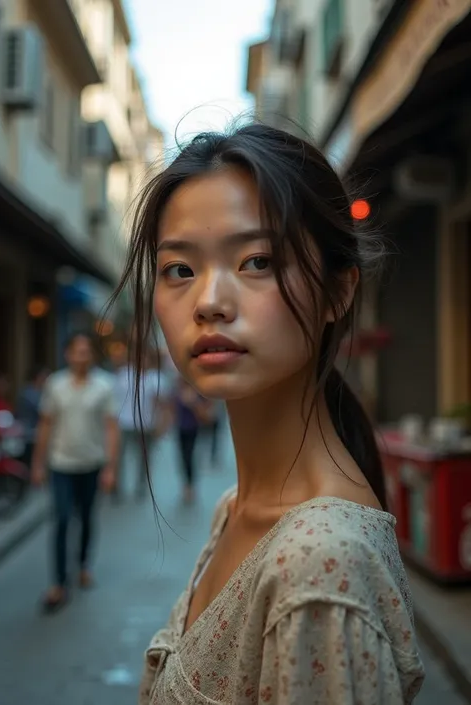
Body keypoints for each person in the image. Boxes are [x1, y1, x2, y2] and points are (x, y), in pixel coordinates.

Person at [114, 124, 425, 703]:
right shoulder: (236, 508)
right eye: (179, 268)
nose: (208, 301)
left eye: (257, 260)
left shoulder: (319, 568)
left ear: (339, 291)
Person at [31, 333, 119, 613]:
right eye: (77, 351)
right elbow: (45, 424)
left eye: (86, 351)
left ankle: (83, 564)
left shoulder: (104, 385)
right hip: (61, 465)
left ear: (92, 354)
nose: (82, 356)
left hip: (92, 464)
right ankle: (58, 582)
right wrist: (37, 463)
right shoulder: (55, 385)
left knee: (86, 517)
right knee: (62, 519)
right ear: (67, 354)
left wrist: (110, 467)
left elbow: (111, 428)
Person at [114, 349, 173, 500]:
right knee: (119, 457)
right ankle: (116, 487)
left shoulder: (155, 378)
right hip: (124, 423)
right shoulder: (123, 376)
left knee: (144, 459)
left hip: (146, 425)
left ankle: (140, 486)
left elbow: (163, 404)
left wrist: (162, 425)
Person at [175, 377, 213, 504]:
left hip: (193, 428)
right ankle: (186, 483)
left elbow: (206, 415)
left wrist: (194, 403)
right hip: (180, 428)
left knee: (189, 455)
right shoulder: (178, 391)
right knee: (182, 457)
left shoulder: (197, 392)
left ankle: (190, 485)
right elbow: (172, 408)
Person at [16, 366, 50, 468]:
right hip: (29, 434)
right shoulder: (27, 393)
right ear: (38, 377)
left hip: (38, 433)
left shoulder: (43, 392)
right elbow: (42, 410)